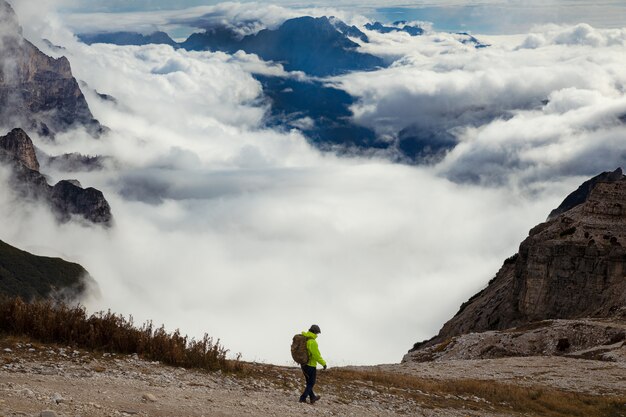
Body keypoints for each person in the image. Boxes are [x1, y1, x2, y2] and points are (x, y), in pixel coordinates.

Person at [299, 324, 327, 404]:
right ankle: (302, 398)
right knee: (311, 383)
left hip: (303, 364)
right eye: (317, 333)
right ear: (314, 332)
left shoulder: (305, 338)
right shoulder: (312, 342)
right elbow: (316, 355)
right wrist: (323, 363)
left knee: (309, 383)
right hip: (310, 365)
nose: (317, 335)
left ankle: (312, 397)